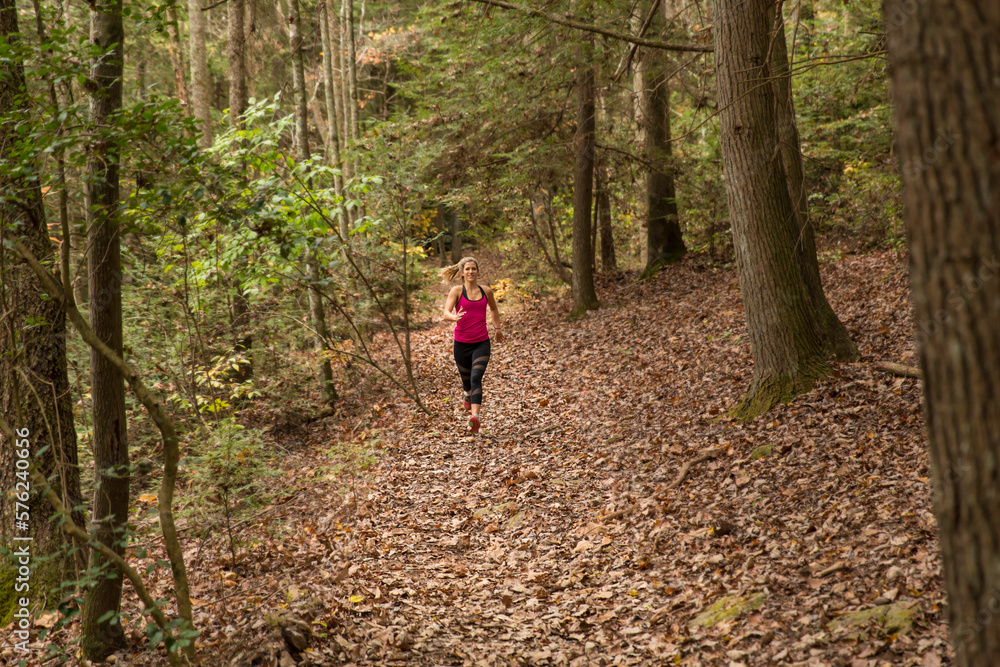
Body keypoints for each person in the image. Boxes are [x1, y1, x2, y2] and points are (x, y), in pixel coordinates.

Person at [440, 257, 504, 433]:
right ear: (462, 272)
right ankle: (467, 394)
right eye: (467, 269)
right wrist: (454, 317)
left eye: (473, 269)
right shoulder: (456, 291)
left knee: (476, 378)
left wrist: (497, 329)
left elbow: (493, 309)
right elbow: (446, 312)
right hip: (461, 344)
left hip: (481, 343)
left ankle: (474, 418)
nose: (470, 272)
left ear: (477, 271)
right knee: (467, 381)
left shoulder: (486, 291)